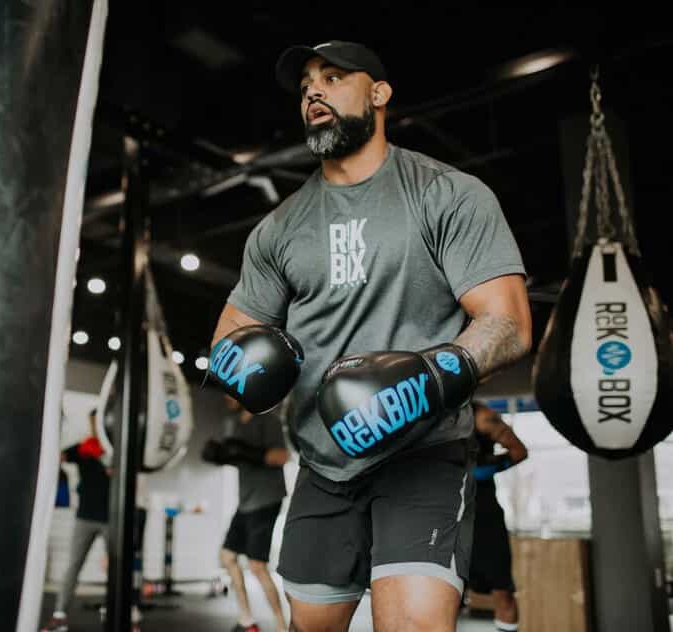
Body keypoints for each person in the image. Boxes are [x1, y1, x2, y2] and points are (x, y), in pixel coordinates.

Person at [207, 40, 532, 632]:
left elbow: (508, 323)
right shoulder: (277, 230)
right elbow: (231, 338)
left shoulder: (446, 195)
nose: (313, 91)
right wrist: (239, 369)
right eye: (307, 83)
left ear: (379, 95)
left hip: (423, 456)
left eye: (333, 77)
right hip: (322, 467)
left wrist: (430, 377)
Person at [202, 394, 291, 632]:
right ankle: (247, 620)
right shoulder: (234, 424)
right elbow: (235, 455)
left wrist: (249, 452)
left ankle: (282, 627)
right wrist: (222, 456)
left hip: (266, 499)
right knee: (228, 556)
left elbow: (282, 457)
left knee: (257, 566)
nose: (226, 397)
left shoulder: (268, 420)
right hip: (246, 501)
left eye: (231, 393)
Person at [41, 409, 116, 632]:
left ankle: (122, 615)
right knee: (73, 565)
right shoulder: (83, 448)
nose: (95, 425)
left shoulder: (115, 448)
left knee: (117, 568)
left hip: (112, 518)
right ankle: (59, 616)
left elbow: (123, 473)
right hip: (85, 516)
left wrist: (106, 460)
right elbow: (59, 456)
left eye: (98, 421)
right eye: (92, 421)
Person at [467, 401, 528, 632]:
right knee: (446, 593)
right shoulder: (434, 416)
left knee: (502, 593)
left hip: (485, 520)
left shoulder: (483, 415)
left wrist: (477, 472)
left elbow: (519, 452)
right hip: (446, 521)